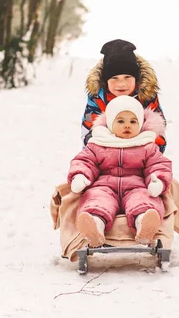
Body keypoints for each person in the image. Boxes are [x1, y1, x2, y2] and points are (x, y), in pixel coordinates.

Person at [68, 95, 172, 247]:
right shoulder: (99, 143)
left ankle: (144, 223)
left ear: (141, 123)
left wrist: (158, 181)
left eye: (133, 121)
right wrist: (80, 175)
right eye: (121, 121)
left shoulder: (146, 145)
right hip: (104, 186)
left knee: (144, 200)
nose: (127, 126)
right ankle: (94, 226)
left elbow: (158, 164)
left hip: (137, 186)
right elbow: (85, 161)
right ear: (110, 123)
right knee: (96, 200)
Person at [81, 39, 168, 153]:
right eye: (114, 78)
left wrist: (150, 151)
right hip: (106, 155)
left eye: (127, 77)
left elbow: (159, 128)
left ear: (136, 79)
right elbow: (88, 125)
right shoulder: (97, 98)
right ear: (105, 81)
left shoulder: (147, 97)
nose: (121, 84)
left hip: (141, 155)